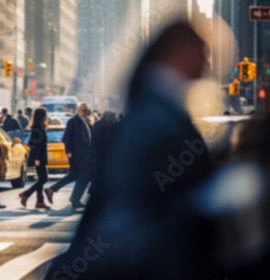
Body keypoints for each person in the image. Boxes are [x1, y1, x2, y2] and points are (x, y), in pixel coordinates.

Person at [46, 21, 215, 279]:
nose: (208, 63)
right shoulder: (156, 119)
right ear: (180, 53)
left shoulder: (149, 112)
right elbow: (132, 213)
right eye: (203, 52)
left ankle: (64, 195)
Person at [44, 103, 92, 208]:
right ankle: (73, 199)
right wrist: (68, 152)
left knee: (75, 175)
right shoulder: (73, 121)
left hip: (85, 155)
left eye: (85, 110)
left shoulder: (86, 121)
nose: (84, 112)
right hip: (77, 155)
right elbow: (66, 137)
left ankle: (53, 190)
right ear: (77, 110)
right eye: (82, 110)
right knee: (82, 177)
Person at [19, 108, 51, 209]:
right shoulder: (38, 127)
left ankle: (40, 201)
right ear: (42, 116)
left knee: (41, 179)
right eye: (45, 114)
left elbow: (31, 143)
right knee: (44, 179)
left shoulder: (38, 127)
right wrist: (37, 158)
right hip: (39, 157)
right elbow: (35, 144)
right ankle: (26, 194)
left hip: (40, 156)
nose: (47, 116)